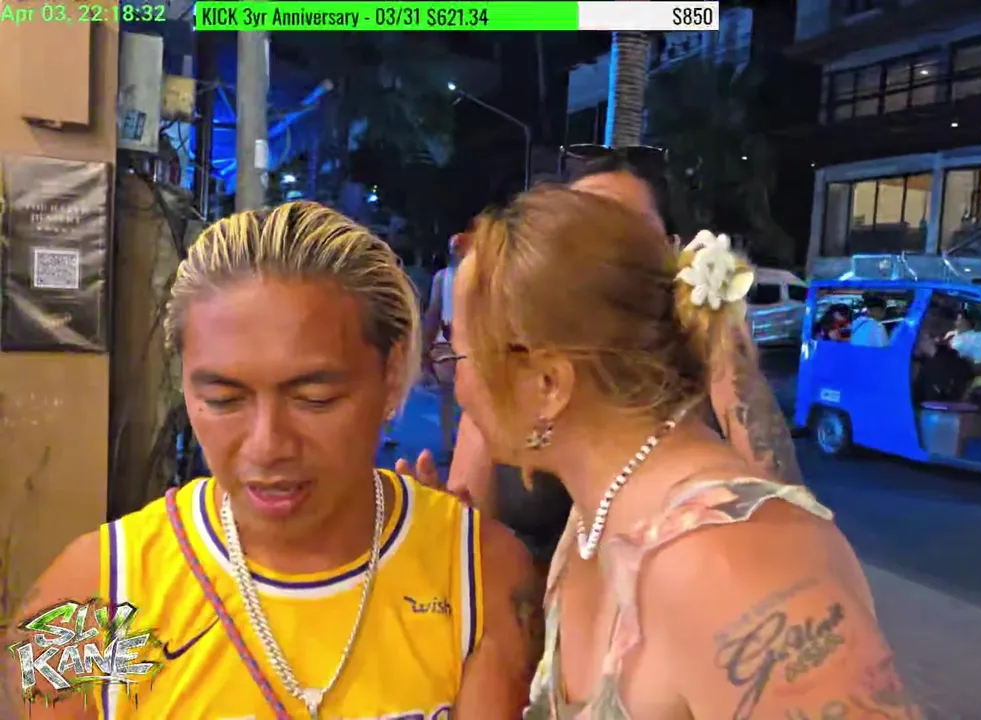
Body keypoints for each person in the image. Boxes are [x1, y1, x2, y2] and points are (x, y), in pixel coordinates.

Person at [4, 203, 539, 719]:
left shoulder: (478, 576)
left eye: (315, 399)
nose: (267, 445)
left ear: (392, 373)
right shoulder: (97, 595)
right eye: (223, 400)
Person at [452, 185, 917, 719]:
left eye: (458, 356)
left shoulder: (732, 564)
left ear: (548, 384)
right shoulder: (592, 521)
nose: (456, 385)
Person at [398, 153, 804, 568]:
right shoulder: (512, 377)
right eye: (580, 228)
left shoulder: (698, 389)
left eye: (626, 229)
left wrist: (722, 343)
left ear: (671, 252)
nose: (602, 250)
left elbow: (782, 532)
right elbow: (472, 541)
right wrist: (449, 540)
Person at [420, 231, 467, 461]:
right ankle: (454, 444)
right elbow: (433, 313)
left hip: (453, 343)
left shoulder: (445, 277)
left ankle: (453, 444)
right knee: (454, 394)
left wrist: (425, 348)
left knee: (451, 395)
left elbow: (433, 313)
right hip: (455, 344)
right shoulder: (449, 277)